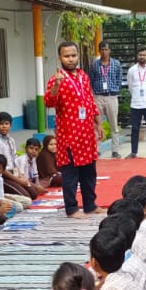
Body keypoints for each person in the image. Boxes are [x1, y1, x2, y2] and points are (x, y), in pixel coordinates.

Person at [44, 43, 100, 217]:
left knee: (89, 173)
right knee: (70, 175)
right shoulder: (56, 79)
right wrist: (56, 86)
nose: (71, 59)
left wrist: (98, 123)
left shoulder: (83, 76)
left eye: (73, 55)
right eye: (66, 56)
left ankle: (90, 205)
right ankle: (72, 208)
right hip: (69, 136)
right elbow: (49, 102)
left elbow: (90, 101)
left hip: (87, 135)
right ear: (60, 58)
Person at [89, 41, 124, 158]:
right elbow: (91, 79)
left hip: (111, 96)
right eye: (102, 50)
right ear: (99, 51)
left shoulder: (116, 64)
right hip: (98, 96)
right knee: (97, 124)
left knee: (114, 124)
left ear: (110, 50)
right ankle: (96, 149)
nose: (104, 52)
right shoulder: (95, 65)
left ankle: (115, 150)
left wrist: (115, 89)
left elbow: (119, 78)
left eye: (106, 49)